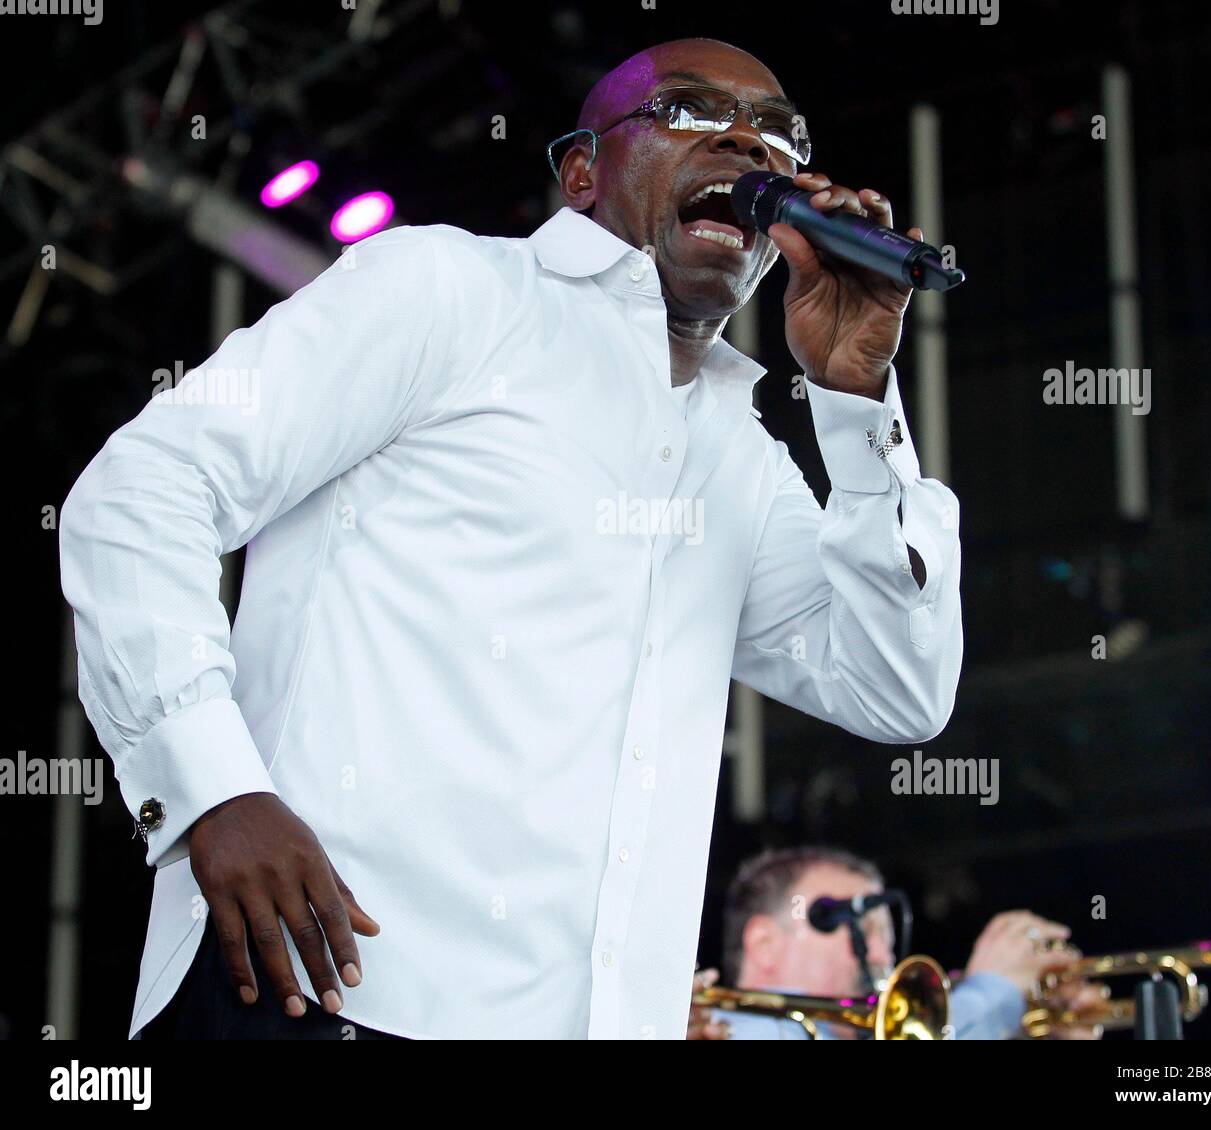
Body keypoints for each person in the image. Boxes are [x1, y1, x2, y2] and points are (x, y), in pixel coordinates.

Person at [59, 37, 962, 1040]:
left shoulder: (740, 455)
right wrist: (212, 787)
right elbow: (143, 488)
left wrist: (853, 401)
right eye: (693, 113)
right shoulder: (448, 290)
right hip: (317, 993)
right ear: (581, 171)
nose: (750, 145)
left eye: (779, 135)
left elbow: (896, 687)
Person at [690, 847, 1105, 1040]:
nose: (879, 956)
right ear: (764, 944)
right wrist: (994, 994)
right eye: (859, 928)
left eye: (886, 940)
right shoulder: (739, 1032)